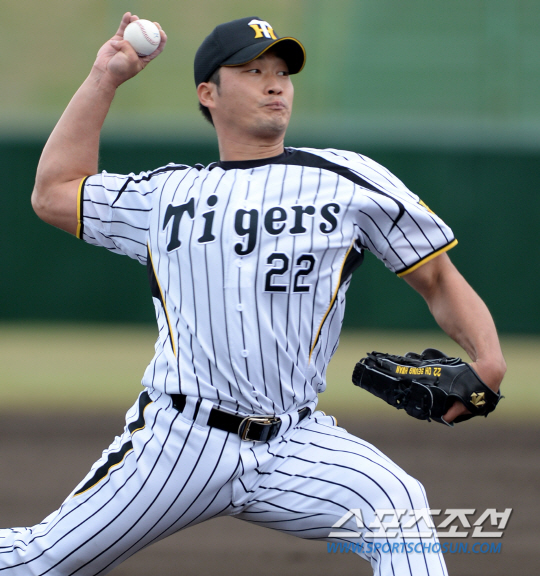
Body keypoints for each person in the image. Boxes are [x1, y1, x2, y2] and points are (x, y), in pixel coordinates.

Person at [5, 12, 504, 576]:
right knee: (38, 562)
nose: (275, 84)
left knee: (398, 506)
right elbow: (54, 193)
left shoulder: (348, 180)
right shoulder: (167, 195)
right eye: (252, 70)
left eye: (282, 73)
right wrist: (105, 77)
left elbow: (437, 278)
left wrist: (488, 360)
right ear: (208, 93)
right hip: (181, 441)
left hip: (296, 441)